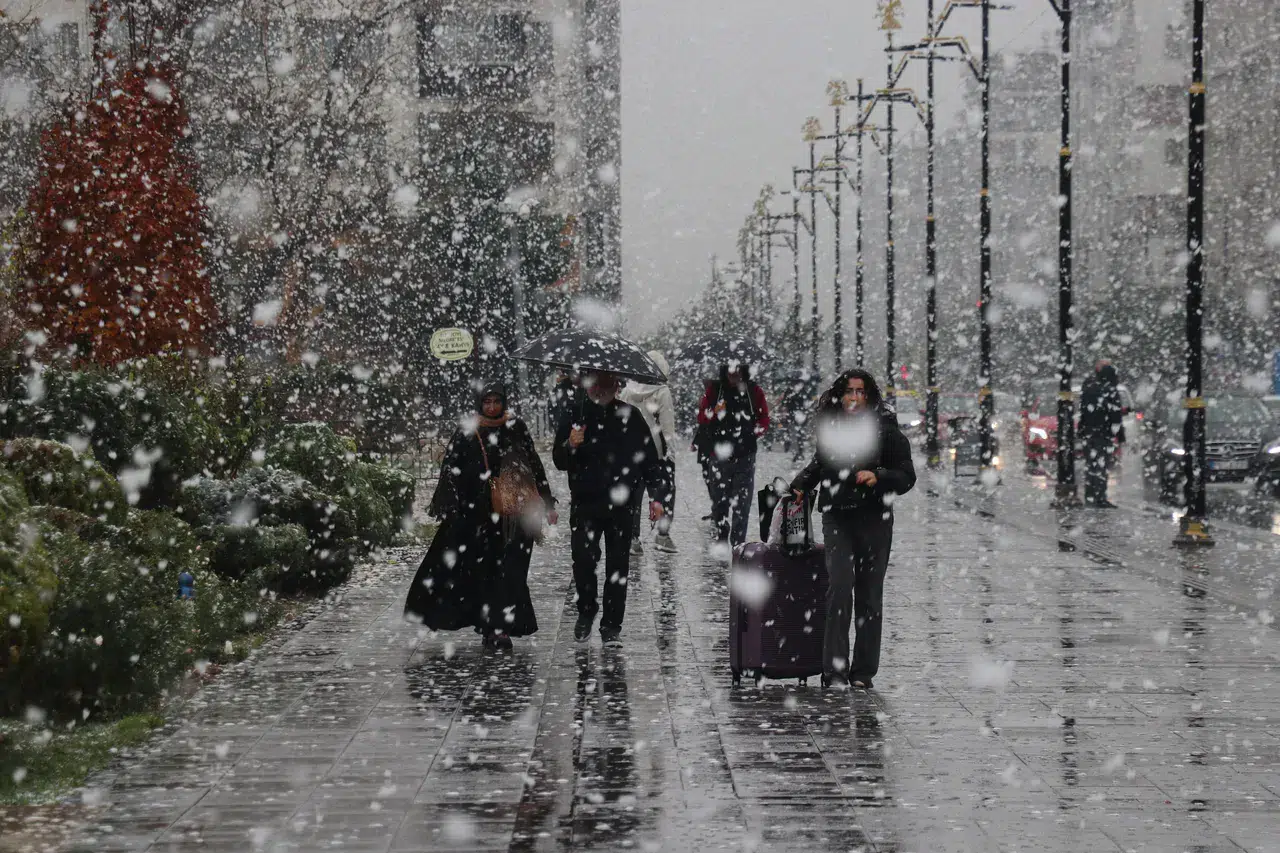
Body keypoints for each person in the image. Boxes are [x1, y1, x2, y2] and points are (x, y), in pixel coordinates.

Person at [404, 383, 557, 650]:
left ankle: (499, 627)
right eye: (486, 402)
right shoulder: (469, 430)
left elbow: (533, 464)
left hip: (513, 516)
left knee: (509, 572)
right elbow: (451, 467)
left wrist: (546, 502)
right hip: (477, 516)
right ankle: (490, 627)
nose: (491, 407)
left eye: (496, 401)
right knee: (483, 572)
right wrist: (452, 503)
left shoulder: (515, 427)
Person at [790, 368, 916, 689]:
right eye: (850, 391)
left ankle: (862, 673)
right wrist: (800, 485)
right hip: (837, 516)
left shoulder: (885, 431)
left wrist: (880, 476)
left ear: (869, 396)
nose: (855, 398)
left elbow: (906, 475)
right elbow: (821, 462)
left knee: (870, 597)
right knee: (840, 587)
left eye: (861, 392)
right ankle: (834, 671)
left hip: (875, 518)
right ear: (841, 395)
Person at [553, 370, 670, 644]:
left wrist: (656, 496)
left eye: (606, 383)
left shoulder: (631, 416)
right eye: (595, 383)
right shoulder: (576, 414)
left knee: (618, 566)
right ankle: (586, 611)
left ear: (616, 386)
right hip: (585, 502)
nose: (600, 389)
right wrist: (570, 444)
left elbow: (649, 460)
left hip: (622, 505)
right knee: (583, 561)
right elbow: (559, 460)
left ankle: (611, 625)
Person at [697, 361, 769, 548]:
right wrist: (714, 412)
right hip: (719, 455)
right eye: (729, 368)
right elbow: (702, 417)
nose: (733, 373)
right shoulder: (715, 390)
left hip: (745, 456)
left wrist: (754, 432)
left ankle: (738, 546)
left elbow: (763, 419)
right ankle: (722, 531)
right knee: (719, 502)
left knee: (742, 505)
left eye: (737, 368)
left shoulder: (754, 391)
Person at [618, 351, 679, 554]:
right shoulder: (662, 392)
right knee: (664, 491)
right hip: (657, 452)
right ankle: (662, 535)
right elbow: (667, 428)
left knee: (635, 495)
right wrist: (670, 453)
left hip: (632, 451)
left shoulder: (627, 391)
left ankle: (633, 539)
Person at [1078, 361, 1125, 508]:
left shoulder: (1089, 388)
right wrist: (1120, 434)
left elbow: (1083, 411)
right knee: (1101, 465)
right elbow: (1115, 415)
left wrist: (1083, 428)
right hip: (1103, 433)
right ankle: (1100, 497)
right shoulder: (1111, 390)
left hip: (1089, 433)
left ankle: (1090, 495)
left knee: (1091, 465)